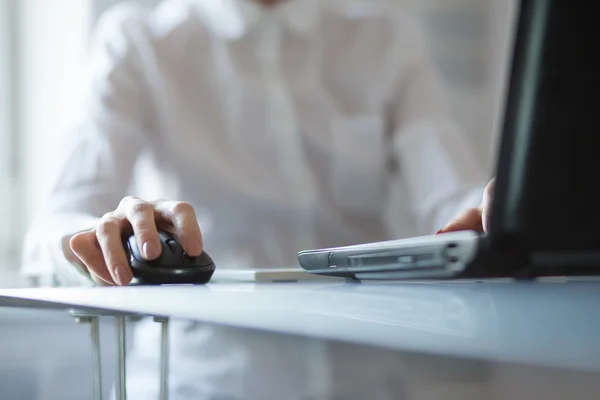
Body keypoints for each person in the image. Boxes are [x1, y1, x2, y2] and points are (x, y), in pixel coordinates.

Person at [22, 0, 491, 398]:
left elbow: (452, 199)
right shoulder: (139, 43)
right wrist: (105, 237)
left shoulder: (384, 39)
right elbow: (50, 230)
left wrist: (503, 209)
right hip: (202, 384)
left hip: (367, 383)